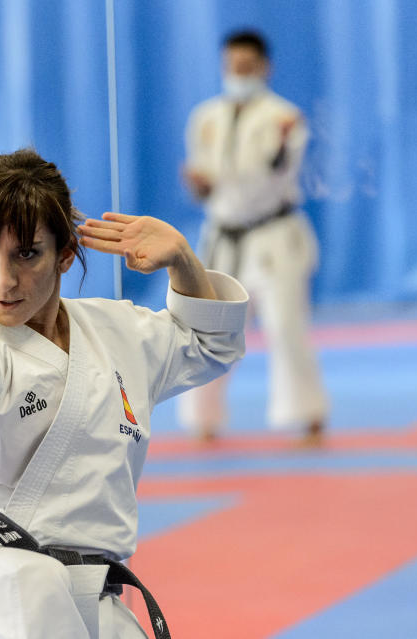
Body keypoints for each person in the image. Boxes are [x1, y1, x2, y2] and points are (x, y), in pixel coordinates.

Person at [0, 148, 248, 638]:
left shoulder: (118, 333)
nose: (2, 281)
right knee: (29, 583)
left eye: (26, 254)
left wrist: (183, 260)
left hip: (95, 599)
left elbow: (211, 343)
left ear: (65, 253)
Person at [179, 29, 328, 444]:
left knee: (285, 325)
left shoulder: (285, 118)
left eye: (247, 66)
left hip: (272, 235)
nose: (238, 73)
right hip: (224, 237)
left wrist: (220, 182)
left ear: (264, 67)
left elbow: (271, 177)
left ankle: (307, 413)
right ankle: (202, 419)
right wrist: (197, 185)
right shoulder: (205, 117)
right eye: (232, 66)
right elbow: (205, 185)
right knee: (210, 327)